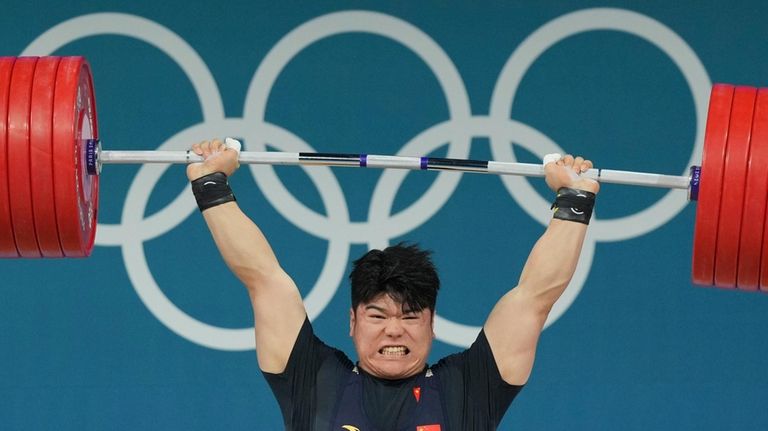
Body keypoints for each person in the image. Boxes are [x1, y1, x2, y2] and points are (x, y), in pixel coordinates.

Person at [187, 139, 599, 430]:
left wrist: (574, 200)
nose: (394, 329)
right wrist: (210, 184)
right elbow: (263, 279)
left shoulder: (470, 389)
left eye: (410, 315)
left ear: (432, 323)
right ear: (352, 321)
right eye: (378, 314)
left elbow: (535, 298)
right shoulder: (311, 379)